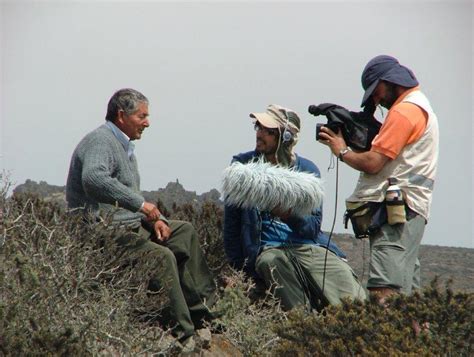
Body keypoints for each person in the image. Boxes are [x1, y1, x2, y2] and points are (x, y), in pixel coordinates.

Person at [66, 88, 216, 349]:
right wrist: (141, 205)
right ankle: (183, 333)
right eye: (142, 116)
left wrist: (154, 219)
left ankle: (205, 314)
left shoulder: (124, 146)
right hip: (101, 232)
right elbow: (93, 179)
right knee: (162, 257)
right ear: (122, 116)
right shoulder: (101, 141)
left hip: (129, 225)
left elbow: (129, 195)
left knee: (184, 232)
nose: (148, 123)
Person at [319, 55, 439, 304]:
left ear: (390, 80)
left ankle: (379, 343)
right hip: (411, 212)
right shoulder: (420, 106)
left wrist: (342, 149)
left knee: (383, 292)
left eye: (376, 91)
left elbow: (374, 163)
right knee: (408, 300)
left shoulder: (404, 112)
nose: (376, 99)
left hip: (396, 213)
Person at [223, 104, 366, 311]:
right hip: (268, 248)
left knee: (343, 281)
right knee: (272, 262)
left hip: (308, 246)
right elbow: (232, 225)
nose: (260, 134)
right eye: (258, 127)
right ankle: (304, 324)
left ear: (286, 137)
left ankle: (360, 323)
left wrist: (288, 215)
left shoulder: (307, 172)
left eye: (268, 131)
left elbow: (312, 228)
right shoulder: (243, 168)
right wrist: (241, 270)